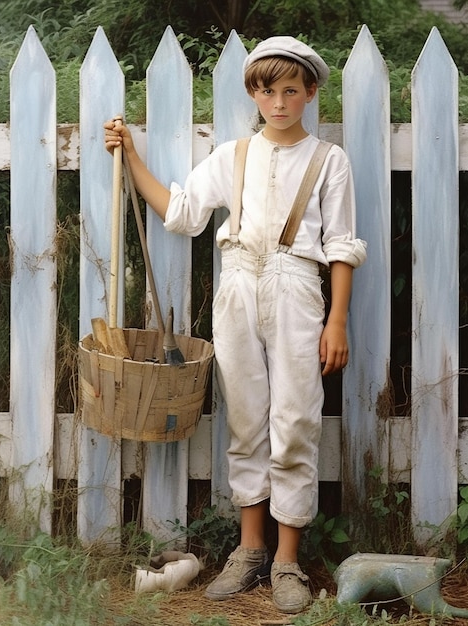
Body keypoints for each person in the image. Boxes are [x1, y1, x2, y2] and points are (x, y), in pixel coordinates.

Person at [104, 35, 367, 615]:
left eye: (291, 91)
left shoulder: (329, 161)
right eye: (268, 91)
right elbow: (181, 212)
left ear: (310, 93)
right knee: (246, 417)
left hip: (298, 287)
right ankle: (249, 552)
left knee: (295, 417)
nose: (279, 102)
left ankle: (287, 560)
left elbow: (342, 245)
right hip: (239, 284)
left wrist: (338, 320)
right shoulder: (234, 156)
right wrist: (131, 154)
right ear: (254, 93)